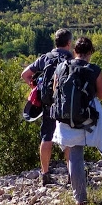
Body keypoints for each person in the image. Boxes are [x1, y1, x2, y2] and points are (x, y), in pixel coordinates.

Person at [52, 37, 102, 205]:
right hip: (90, 116)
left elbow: (55, 91)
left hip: (67, 118)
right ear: (90, 52)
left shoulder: (61, 67)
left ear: (74, 52)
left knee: (75, 155)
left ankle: (80, 198)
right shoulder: (94, 69)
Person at [20, 28, 73, 186]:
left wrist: (35, 87)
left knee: (47, 137)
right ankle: (72, 174)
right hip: (65, 103)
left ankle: (45, 174)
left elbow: (25, 74)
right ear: (69, 43)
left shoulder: (45, 58)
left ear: (55, 42)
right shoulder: (71, 58)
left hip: (48, 103)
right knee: (68, 138)